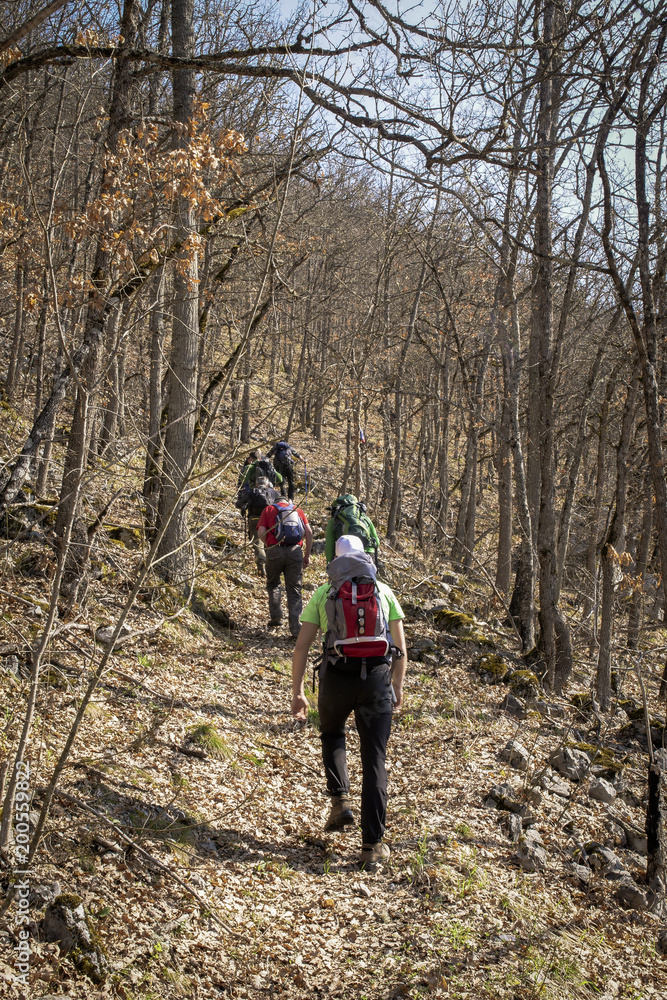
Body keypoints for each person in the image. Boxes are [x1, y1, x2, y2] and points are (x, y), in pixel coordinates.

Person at [291, 535, 407, 868]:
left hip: (337, 676)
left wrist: (297, 691)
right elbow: (400, 647)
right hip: (377, 680)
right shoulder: (383, 592)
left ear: (336, 559)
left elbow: (301, 647)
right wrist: (397, 686)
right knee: (375, 758)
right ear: (364, 556)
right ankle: (371, 846)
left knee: (331, 733)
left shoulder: (325, 593)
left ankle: (340, 800)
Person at [257, 496, 312, 637]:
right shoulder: (297, 510)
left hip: (274, 551)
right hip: (295, 551)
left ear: (275, 501)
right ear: (288, 502)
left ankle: (276, 616)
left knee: (273, 584)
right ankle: (296, 629)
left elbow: (261, 531)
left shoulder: (268, 509)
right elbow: (309, 532)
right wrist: (307, 555)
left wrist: (270, 544)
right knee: (294, 589)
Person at [235, 475, 279, 577]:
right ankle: (270, 566)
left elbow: (238, 504)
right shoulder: (273, 492)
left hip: (255, 519)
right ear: (267, 484)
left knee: (258, 542)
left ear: (256, 484)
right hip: (270, 520)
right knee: (269, 542)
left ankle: (261, 565)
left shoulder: (252, 492)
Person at [324, 494, 380, 564]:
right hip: (367, 554)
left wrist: (329, 564)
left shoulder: (333, 521)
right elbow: (377, 542)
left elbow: (329, 546)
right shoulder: (365, 518)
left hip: (346, 555)